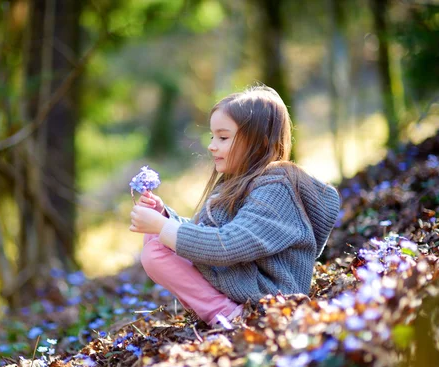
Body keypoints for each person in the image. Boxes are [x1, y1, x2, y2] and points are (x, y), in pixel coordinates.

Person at [129, 84, 341, 328]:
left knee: (156, 249)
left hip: (272, 296)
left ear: (258, 143)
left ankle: (228, 315)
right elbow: (211, 235)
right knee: (154, 241)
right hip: (245, 278)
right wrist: (164, 217)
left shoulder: (276, 189)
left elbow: (228, 245)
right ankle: (222, 310)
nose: (211, 145)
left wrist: (164, 227)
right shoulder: (237, 182)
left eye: (223, 137)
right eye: (212, 136)